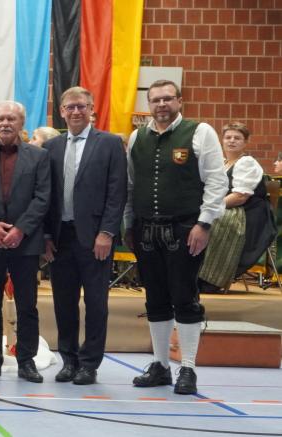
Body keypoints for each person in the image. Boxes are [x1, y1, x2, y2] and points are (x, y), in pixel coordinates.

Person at [125, 79, 226, 395]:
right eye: (155, 100)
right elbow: (130, 185)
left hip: (186, 228)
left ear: (179, 101)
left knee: (184, 297)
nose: (161, 105)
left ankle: (188, 367)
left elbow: (216, 181)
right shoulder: (137, 137)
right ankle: (160, 366)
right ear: (149, 104)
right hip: (145, 230)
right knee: (155, 297)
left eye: (167, 99)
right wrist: (128, 224)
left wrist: (204, 223)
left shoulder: (200, 132)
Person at [42, 87, 127, 386]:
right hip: (60, 237)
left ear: (92, 109)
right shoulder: (50, 147)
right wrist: (46, 235)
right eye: (70, 107)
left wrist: (107, 232)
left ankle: (90, 364)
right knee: (63, 303)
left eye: (82, 106)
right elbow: (46, 195)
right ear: (61, 111)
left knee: (96, 304)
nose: (76, 111)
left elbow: (117, 192)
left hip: (95, 238)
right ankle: (69, 360)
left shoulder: (110, 143)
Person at [0, 101, 51, 383]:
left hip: (26, 243)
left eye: (11, 119)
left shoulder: (39, 156)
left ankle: (26, 361)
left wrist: (20, 230)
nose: (5, 123)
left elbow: (43, 197)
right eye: (0, 118)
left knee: (27, 305)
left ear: (21, 123)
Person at [197, 122, 275, 293]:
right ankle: (191, 273)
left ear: (245, 142)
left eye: (237, 138)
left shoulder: (247, 163)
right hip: (230, 208)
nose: (232, 141)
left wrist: (210, 208)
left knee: (211, 221)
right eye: (228, 137)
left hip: (248, 215)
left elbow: (240, 196)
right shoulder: (222, 163)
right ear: (222, 140)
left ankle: (210, 278)